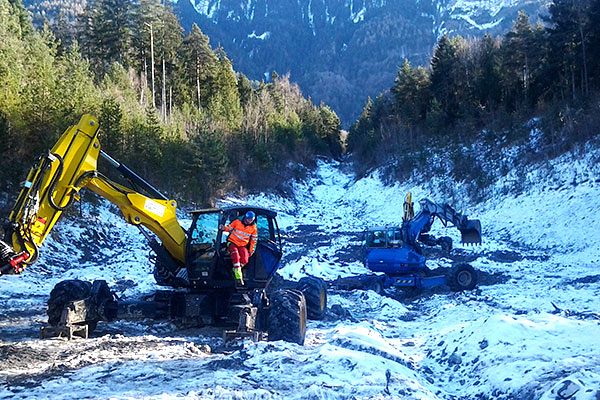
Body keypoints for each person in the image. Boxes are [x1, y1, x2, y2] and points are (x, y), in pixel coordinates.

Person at [221, 211, 258, 286]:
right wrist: (223, 228)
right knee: (236, 256)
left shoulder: (253, 228)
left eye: (251, 220)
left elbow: (254, 240)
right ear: (245, 218)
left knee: (245, 259)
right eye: (248, 219)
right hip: (232, 242)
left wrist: (251, 251)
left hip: (242, 245)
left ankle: (235, 269)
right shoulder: (237, 222)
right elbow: (229, 228)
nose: (249, 221)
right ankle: (238, 278)